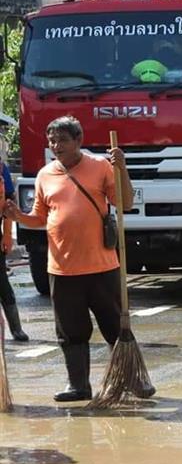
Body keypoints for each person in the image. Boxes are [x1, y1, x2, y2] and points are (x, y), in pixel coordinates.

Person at [4, 116, 154, 401]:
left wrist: (122, 169)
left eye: (61, 140)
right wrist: (19, 217)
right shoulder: (45, 175)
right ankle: (78, 386)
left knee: (115, 326)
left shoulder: (100, 166)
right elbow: (39, 218)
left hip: (102, 266)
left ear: (78, 141)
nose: (55, 146)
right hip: (62, 269)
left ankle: (132, 381)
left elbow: (126, 202)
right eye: (51, 140)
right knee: (70, 332)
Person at [0, 154, 28, 341]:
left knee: (2, 282)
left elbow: (9, 204)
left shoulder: (2, 169)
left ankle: (15, 328)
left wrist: (8, 235)